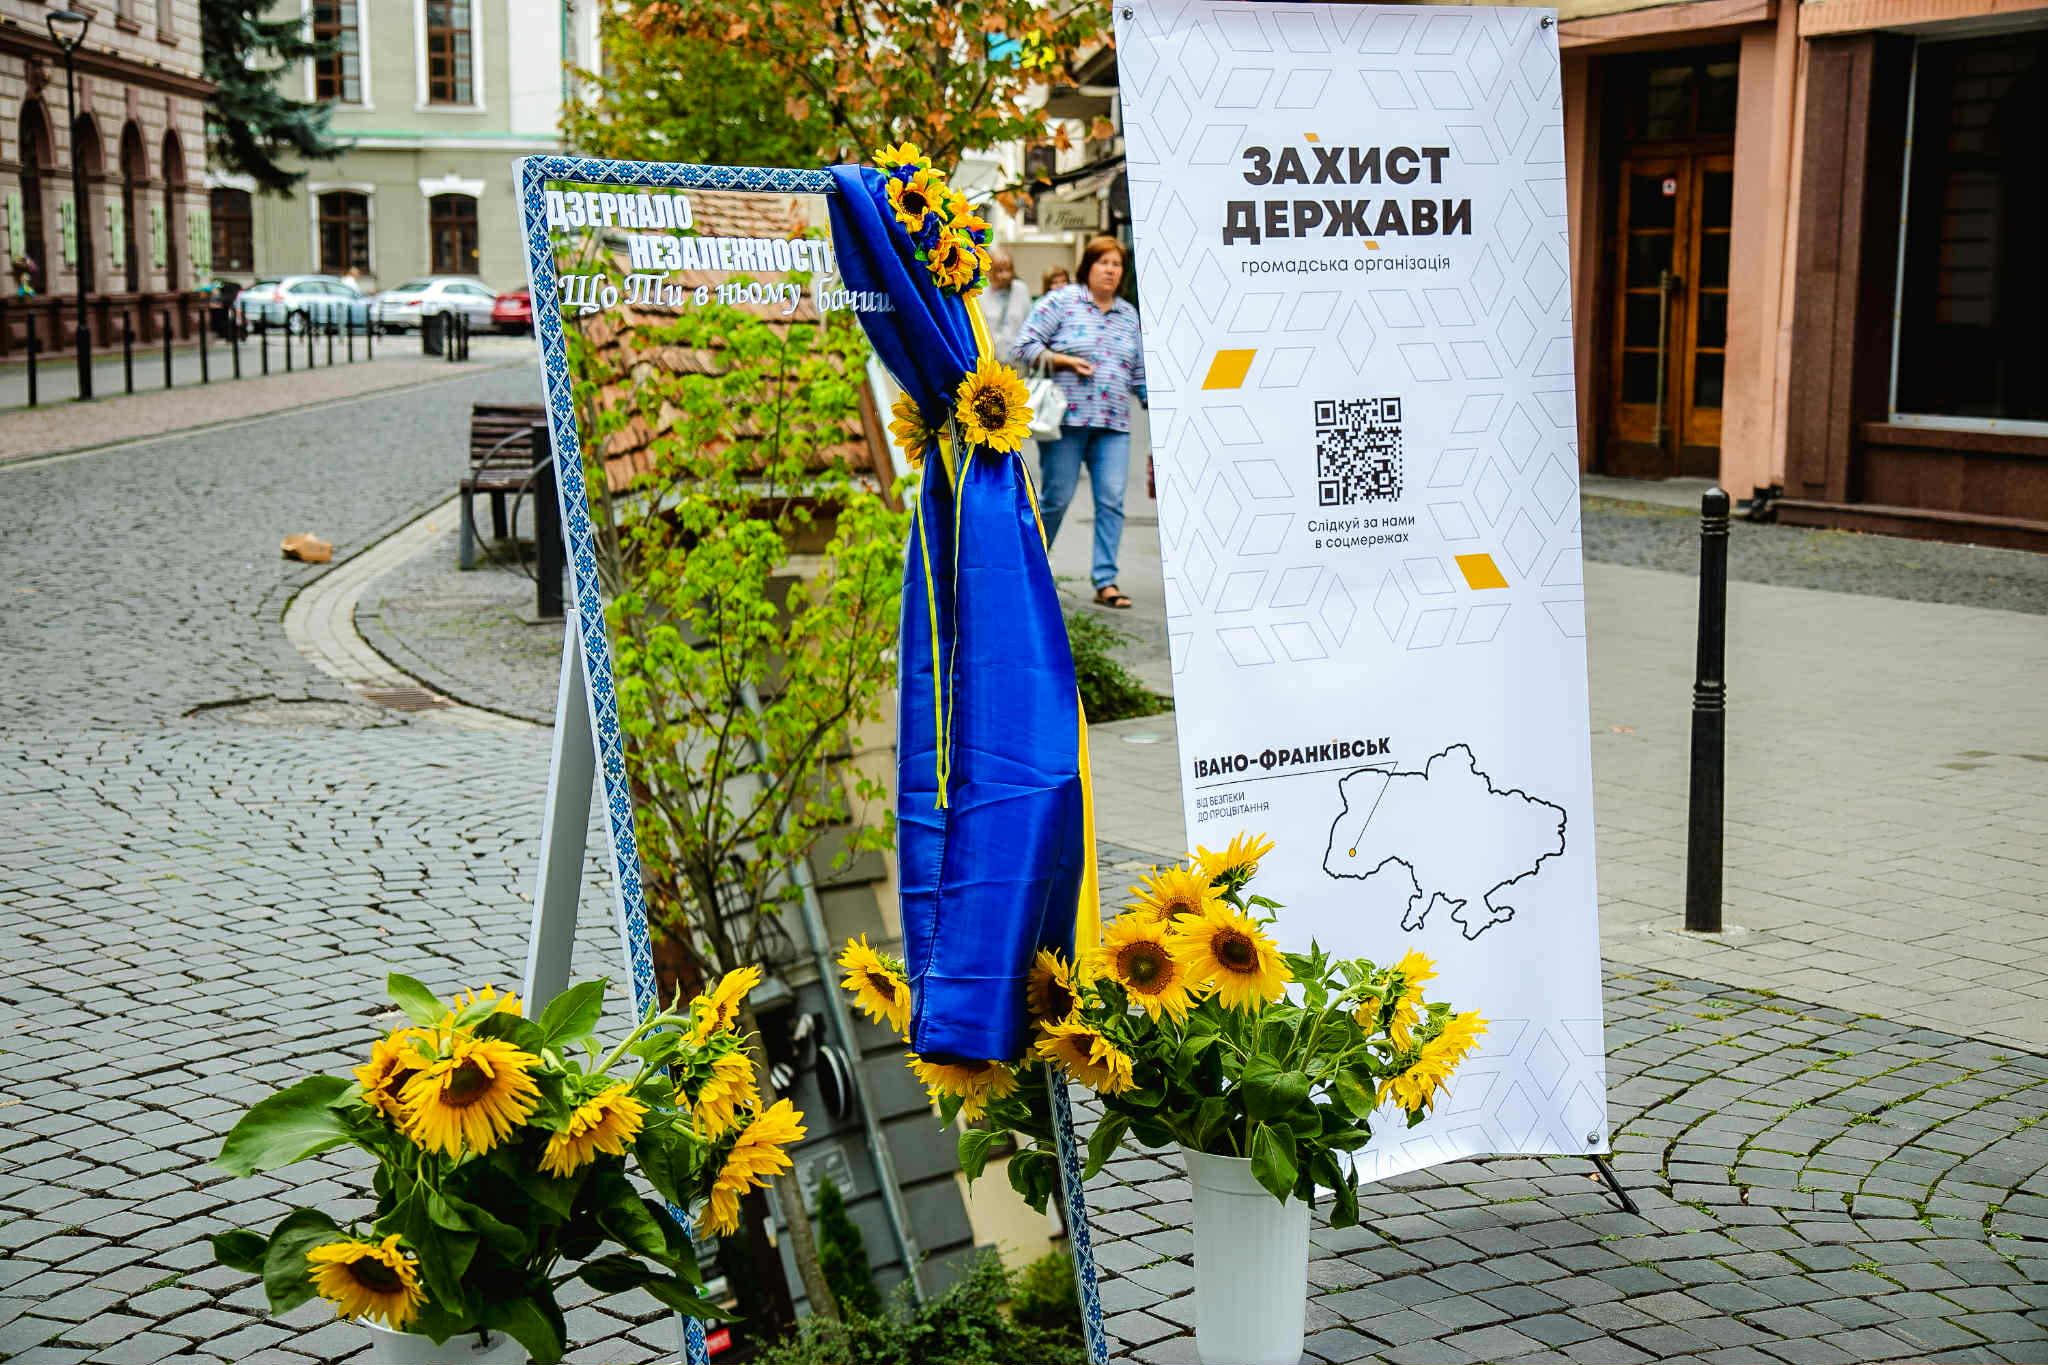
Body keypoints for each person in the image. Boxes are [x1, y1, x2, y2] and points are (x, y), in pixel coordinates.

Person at [1014, 235, 1146, 609]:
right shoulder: (1062, 301)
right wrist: (1065, 361)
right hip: (1066, 422)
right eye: (1103, 263)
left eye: (1117, 265)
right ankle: (1030, 571)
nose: (1110, 271)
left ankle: (1106, 581)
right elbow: (1023, 346)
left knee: (1112, 500)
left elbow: (1139, 373)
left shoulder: (1129, 315)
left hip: (1114, 425)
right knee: (1055, 499)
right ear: (1087, 267)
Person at [980, 248, 1033, 362]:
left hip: (1018, 361)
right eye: (999, 270)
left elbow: (1029, 325)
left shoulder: (1021, 289)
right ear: (989, 271)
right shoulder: (980, 293)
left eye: (1008, 270)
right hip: (990, 361)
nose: (1005, 275)